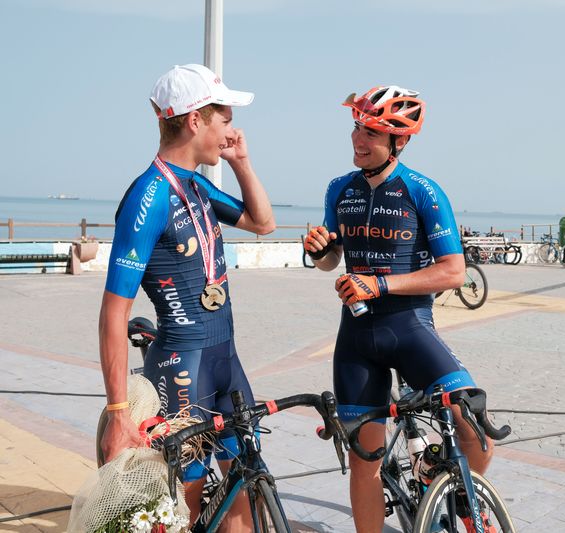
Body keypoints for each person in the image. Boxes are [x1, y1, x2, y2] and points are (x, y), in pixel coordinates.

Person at [303, 86, 493, 532]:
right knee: (363, 459)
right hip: (357, 340)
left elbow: (452, 272)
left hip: (408, 328)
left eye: (371, 132)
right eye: (356, 127)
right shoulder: (338, 188)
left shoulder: (422, 191)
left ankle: (444, 482)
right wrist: (320, 252)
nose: (358, 139)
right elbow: (332, 259)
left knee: (475, 431)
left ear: (399, 141)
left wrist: (380, 284)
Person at [99, 64, 275, 528]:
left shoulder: (197, 184)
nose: (231, 130)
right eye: (224, 118)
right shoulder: (148, 196)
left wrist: (240, 162)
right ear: (195, 120)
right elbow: (114, 312)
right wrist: (119, 413)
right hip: (183, 369)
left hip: (226, 362)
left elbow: (263, 223)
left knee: (246, 487)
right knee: (184, 507)